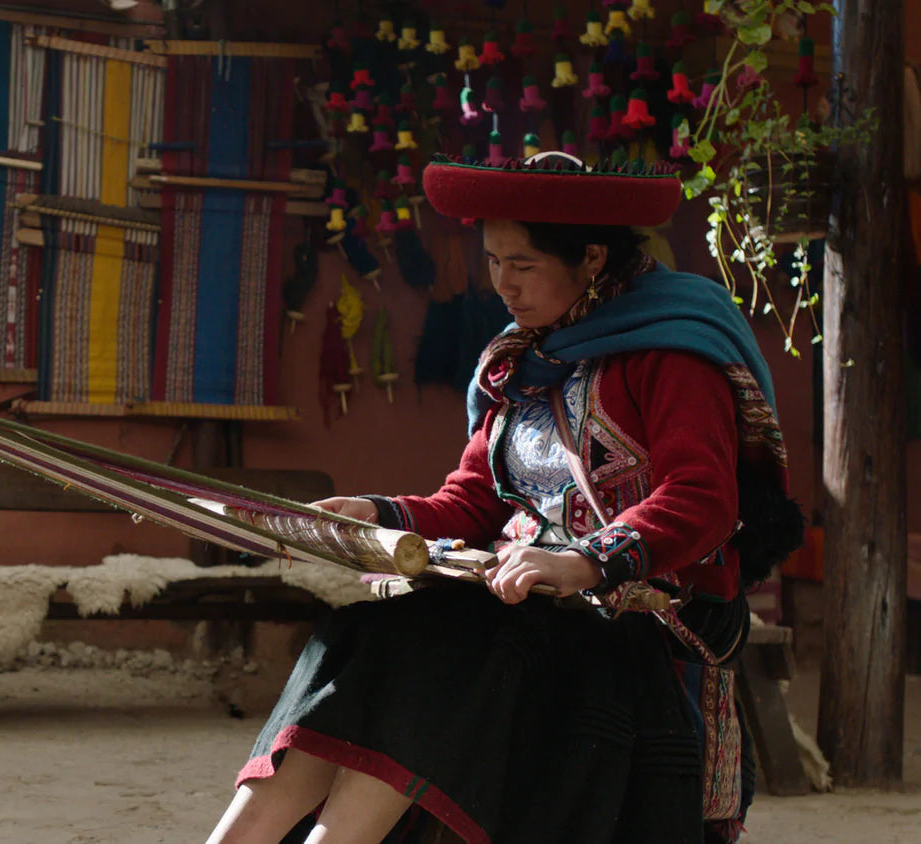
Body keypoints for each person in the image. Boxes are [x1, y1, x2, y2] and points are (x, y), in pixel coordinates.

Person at [205, 153, 803, 844]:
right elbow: (474, 502)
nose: (503, 285)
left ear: (592, 258)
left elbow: (699, 498)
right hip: (527, 600)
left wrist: (583, 562)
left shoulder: (671, 352)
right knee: (373, 632)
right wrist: (377, 515)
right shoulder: (523, 362)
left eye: (522, 264)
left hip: (641, 612)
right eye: (492, 262)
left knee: (451, 647)